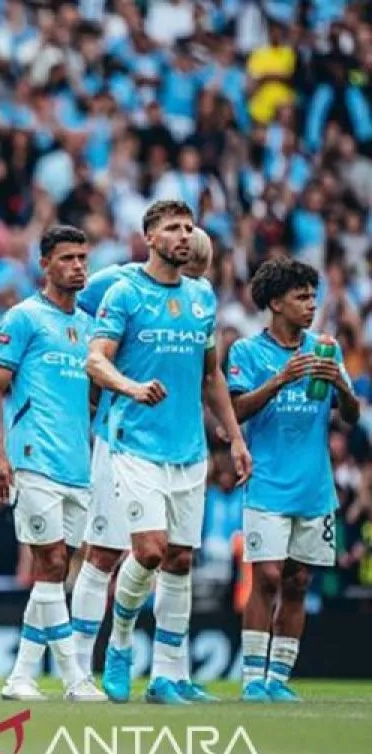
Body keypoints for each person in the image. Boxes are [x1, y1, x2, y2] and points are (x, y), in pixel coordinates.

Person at [86, 200, 251, 704]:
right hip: (134, 443)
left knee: (180, 560)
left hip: (189, 448)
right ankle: (118, 645)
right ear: (150, 238)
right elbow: (95, 361)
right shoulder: (124, 291)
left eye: (188, 228)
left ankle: (167, 676)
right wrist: (132, 388)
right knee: (150, 551)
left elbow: (211, 376)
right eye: (173, 229)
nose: (184, 235)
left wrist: (234, 436)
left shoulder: (202, 296)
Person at [0, 224, 106, 702]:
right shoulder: (24, 318)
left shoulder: (91, 328)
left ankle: (20, 677)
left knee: (53, 572)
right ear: (45, 265)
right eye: (68, 258)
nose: (78, 266)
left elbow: (90, 399)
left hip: (79, 463)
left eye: (82, 258)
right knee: (50, 560)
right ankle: (76, 677)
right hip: (34, 459)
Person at [227, 257, 359, 702]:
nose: (310, 304)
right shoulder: (247, 352)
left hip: (314, 488)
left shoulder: (326, 349)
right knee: (265, 576)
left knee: (298, 581)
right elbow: (236, 411)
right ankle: (250, 680)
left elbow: (351, 418)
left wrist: (341, 385)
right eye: (301, 297)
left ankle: (277, 681)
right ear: (276, 303)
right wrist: (281, 380)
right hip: (266, 483)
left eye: (312, 296)